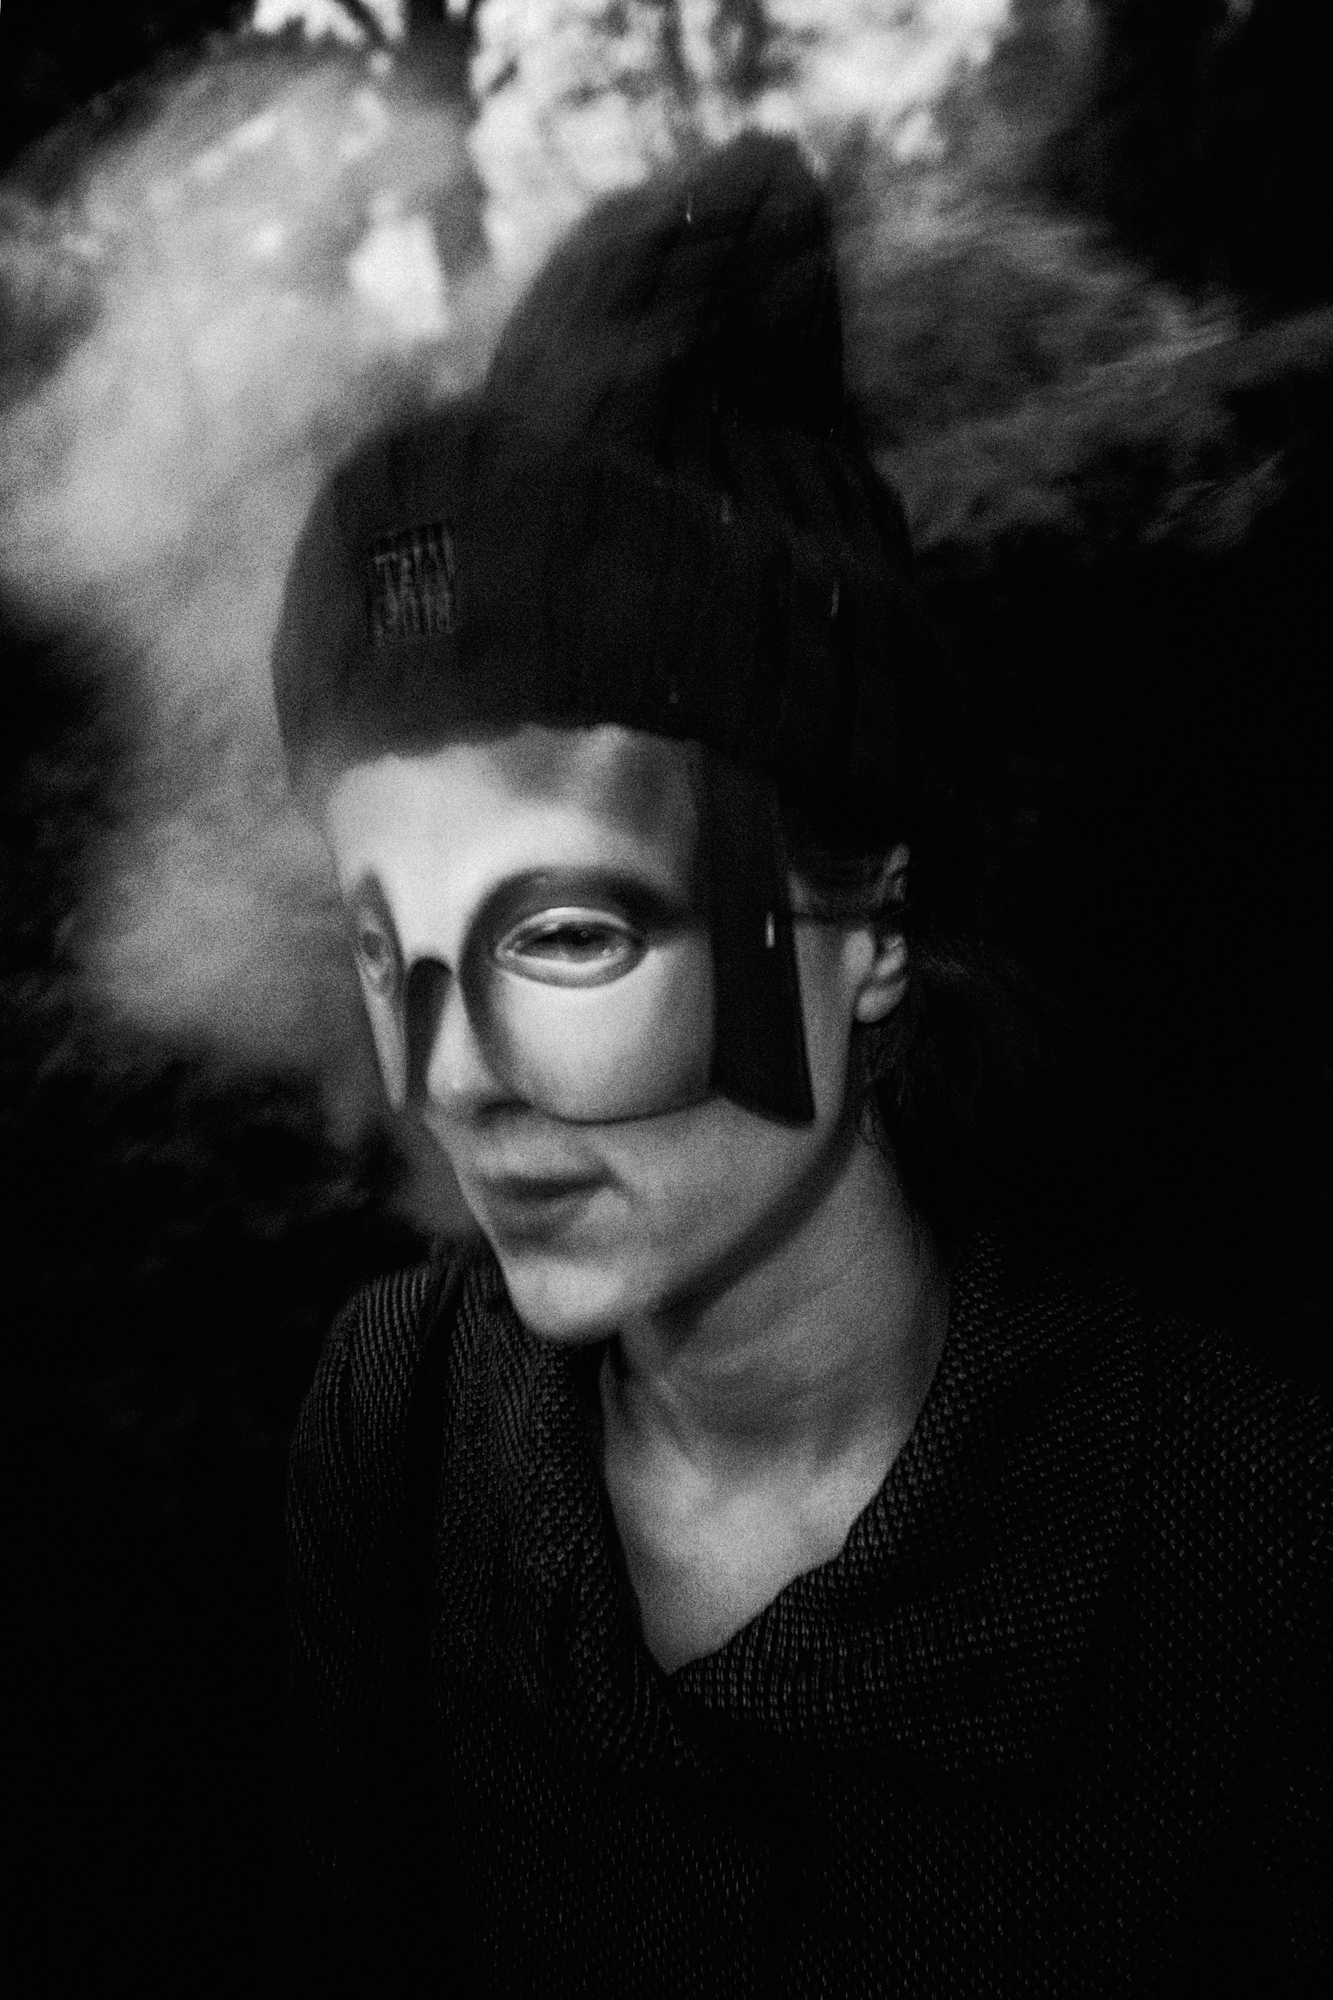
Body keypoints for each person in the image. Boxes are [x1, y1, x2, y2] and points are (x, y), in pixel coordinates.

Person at [270, 135, 1330, 1992]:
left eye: (567, 934)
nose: (446, 1080)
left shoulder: (1239, 1537)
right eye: (388, 951)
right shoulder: (401, 1416)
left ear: (874, 931)